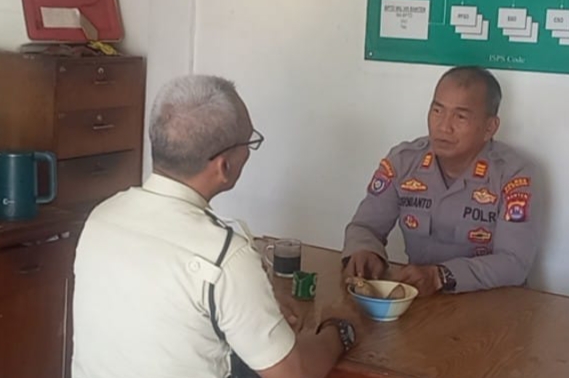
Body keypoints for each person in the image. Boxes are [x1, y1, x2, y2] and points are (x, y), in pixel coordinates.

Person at [72, 75, 360, 378]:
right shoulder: (225, 256)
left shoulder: (102, 218)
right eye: (250, 143)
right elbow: (293, 374)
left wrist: (252, 305)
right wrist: (339, 330)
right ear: (225, 166)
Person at [342, 66, 541, 296]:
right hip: (420, 301)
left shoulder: (513, 174)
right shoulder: (403, 163)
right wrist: (365, 250)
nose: (444, 127)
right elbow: (365, 226)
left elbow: (514, 262)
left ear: (490, 128)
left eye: (460, 116)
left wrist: (441, 276)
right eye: (437, 110)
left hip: (491, 305)